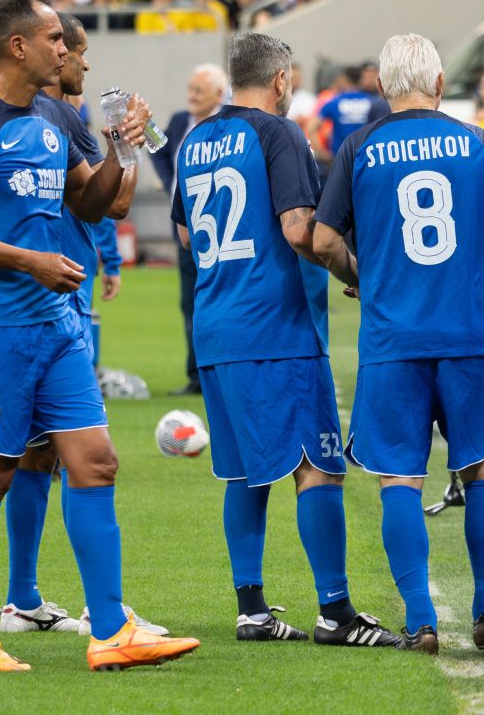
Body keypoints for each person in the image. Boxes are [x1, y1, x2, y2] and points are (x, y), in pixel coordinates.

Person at [0, 0, 199, 672]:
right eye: (54, 38)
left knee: (96, 461)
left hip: (56, 325)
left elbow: (92, 200)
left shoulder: (53, 115)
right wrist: (29, 260)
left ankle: (110, 629)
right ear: (18, 46)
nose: (66, 49)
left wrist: (120, 148)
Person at [173, 32, 401, 649]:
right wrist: (356, 272)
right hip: (273, 328)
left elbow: (190, 237)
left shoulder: (195, 139)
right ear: (280, 80)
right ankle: (337, 612)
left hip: (215, 326)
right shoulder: (279, 133)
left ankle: (251, 609)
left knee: (246, 475)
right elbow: (300, 229)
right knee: (317, 468)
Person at [313, 33, 484, 654]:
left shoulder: (358, 146)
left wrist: (362, 278)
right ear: (440, 84)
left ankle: (420, 620)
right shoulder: (476, 140)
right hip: (468, 332)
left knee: (399, 479)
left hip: (393, 339)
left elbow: (324, 241)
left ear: (383, 88)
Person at [0, 10, 162, 638]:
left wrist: (127, 144)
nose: (84, 62)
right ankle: (88, 610)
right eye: (74, 49)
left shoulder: (60, 121)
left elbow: (109, 204)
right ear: (46, 52)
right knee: (39, 458)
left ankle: (24, 599)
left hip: (59, 301)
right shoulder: (19, 120)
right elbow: (114, 204)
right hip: (28, 308)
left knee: (48, 457)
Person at [150, 62, 228, 396]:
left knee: (221, 302)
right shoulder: (182, 120)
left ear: (219, 94)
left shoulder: (227, 125)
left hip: (222, 232)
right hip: (185, 231)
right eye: (191, 89)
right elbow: (161, 149)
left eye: (199, 90)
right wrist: (172, 186)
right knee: (190, 304)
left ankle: (224, 371)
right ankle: (197, 376)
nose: (191, 96)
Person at [315, 64, 390, 160]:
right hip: (368, 158)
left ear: (344, 79)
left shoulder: (335, 102)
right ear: (360, 79)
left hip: (340, 158)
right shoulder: (373, 101)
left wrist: (324, 156)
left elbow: (311, 127)